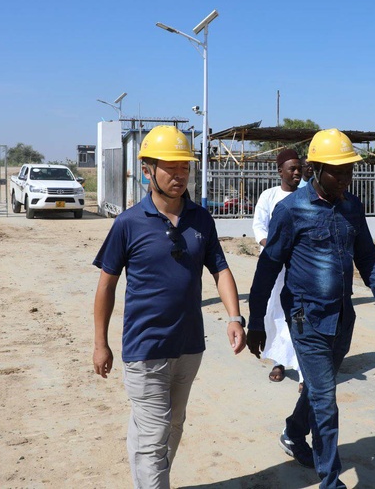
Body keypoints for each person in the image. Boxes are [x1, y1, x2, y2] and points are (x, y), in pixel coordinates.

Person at [92, 125, 246, 489]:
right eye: (170, 168)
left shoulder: (201, 220)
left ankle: (150, 480)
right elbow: (106, 286)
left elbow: (220, 269)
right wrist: (100, 342)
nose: (179, 176)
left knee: (171, 425)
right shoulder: (128, 224)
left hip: (189, 346)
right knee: (154, 433)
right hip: (145, 349)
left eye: (185, 168)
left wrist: (234, 316)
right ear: (147, 169)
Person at [248, 128, 375, 489]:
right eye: (338, 171)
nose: (346, 178)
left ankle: (292, 432)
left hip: (342, 316)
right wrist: (256, 319)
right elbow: (267, 268)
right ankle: (330, 481)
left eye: (350, 171)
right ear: (315, 168)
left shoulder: (351, 206)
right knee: (327, 402)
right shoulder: (291, 210)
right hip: (305, 317)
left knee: (320, 389)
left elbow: (366, 257)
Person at [251, 148, 303, 383]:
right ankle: (279, 361)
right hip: (275, 267)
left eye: (299, 168)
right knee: (275, 313)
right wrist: (274, 247)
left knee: (300, 315)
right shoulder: (269, 196)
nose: (297, 173)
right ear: (280, 171)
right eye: (292, 169)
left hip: (299, 267)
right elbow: (259, 227)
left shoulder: (306, 195)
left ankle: (304, 371)